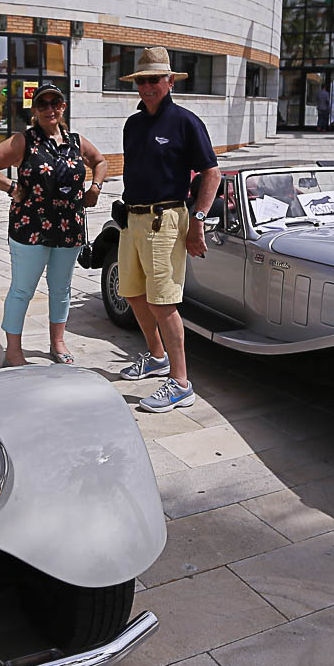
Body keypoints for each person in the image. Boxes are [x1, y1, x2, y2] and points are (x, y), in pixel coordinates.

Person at [0, 83, 107, 367]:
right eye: (43, 104)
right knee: (22, 289)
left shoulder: (76, 141)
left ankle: (57, 343)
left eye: (55, 103)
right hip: (30, 228)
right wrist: (11, 187)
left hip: (69, 227)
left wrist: (95, 187)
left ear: (63, 106)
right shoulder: (25, 140)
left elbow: (100, 161)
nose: (50, 109)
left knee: (61, 288)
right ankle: (12, 353)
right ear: (34, 110)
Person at [116, 47, 221, 412]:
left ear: (170, 81)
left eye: (154, 79)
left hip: (166, 219)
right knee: (131, 293)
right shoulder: (133, 124)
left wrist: (199, 220)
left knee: (163, 303)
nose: (146, 86)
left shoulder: (185, 122)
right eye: (141, 80)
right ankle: (157, 357)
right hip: (132, 219)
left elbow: (211, 172)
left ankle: (180, 383)